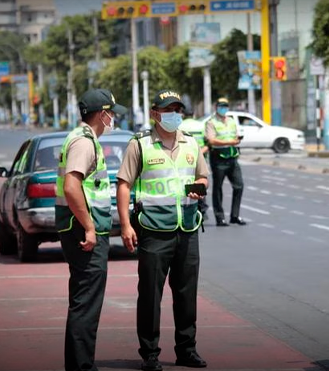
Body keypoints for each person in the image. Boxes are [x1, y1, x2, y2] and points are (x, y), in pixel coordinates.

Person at [117, 89, 209, 370]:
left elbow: (202, 176)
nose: (174, 115)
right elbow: (124, 184)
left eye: (178, 110)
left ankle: (186, 350)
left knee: (186, 293)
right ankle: (150, 354)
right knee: (150, 295)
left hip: (187, 228)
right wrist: (124, 225)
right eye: (168, 110)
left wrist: (200, 189)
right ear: (155, 114)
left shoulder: (192, 144)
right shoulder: (140, 145)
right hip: (153, 229)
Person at [55, 88, 128, 371]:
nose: (113, 119)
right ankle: (81, 366)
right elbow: (72, 187)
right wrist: (89, 227)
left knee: (83, 299)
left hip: (79, 228)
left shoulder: (83, 138)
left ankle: (80, 363)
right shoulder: (84, 142)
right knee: (86, 301)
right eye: (111, 113)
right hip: (83, 232)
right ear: (101, 114)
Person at [206, 97, 245, 226]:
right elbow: (211, 140)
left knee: (239, 185)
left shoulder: (232, 121)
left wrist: (236, 140)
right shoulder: (211, 122)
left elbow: (234, 135)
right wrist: (230, 142)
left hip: (232, 157)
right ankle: (220, 217)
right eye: (221, 106)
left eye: (225, 106)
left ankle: (235, 215)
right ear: (216, 107)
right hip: (218, 158)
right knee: (218, 188)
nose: (223, 108)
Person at [180, 109, 210, 221]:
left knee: (186, 184)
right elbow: (208, 142)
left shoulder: (180, 125)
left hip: (183, 160)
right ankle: (202, 209)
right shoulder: (201, 125)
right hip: (200, 156)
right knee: (200, 181)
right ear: (193, 114)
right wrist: (199, 152)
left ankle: (193, 208)